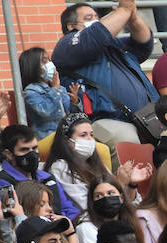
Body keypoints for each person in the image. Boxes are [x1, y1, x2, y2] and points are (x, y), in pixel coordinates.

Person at [53, 0, 158, 147]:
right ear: (71, 26)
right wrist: (123, 10)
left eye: (97, 17)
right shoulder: (66, 46)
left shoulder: (112, 44)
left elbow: (144, 43)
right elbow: (96, 35)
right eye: (89, 18)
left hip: (146, 118)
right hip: (105, 121)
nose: (96, 21)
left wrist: (133, 18)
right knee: (129, 143)